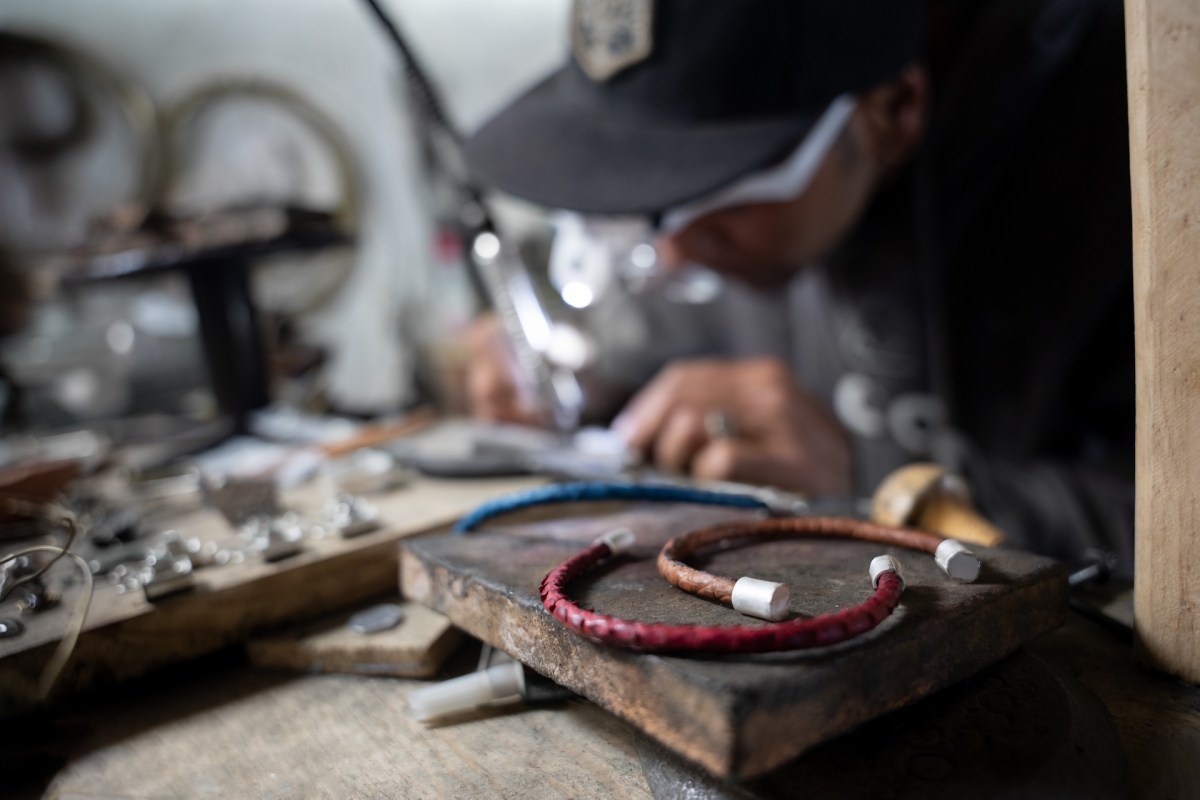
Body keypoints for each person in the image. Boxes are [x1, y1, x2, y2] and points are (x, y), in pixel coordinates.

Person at [461, 0, 1134, 573]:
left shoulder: (1124, 130)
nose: (669, 252)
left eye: (719, 188)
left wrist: (869, 478)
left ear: (891, 110)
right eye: (644, 194)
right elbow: (621, 340)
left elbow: (1160, 528)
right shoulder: (731, 213)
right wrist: (556, 371)